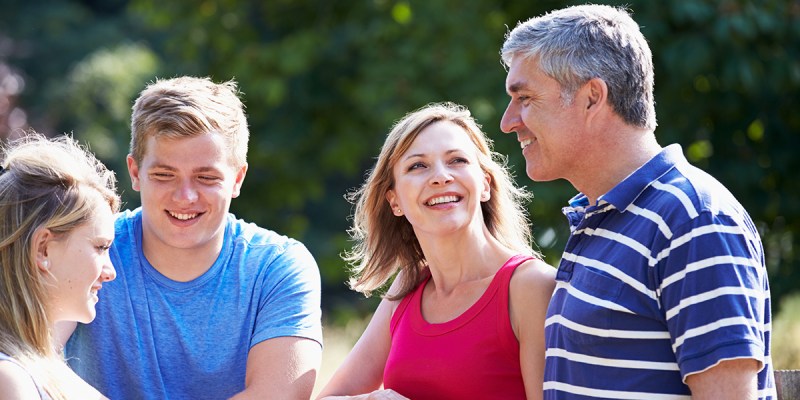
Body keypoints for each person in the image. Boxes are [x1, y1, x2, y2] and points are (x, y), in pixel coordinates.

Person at [499, 4, 775, 399]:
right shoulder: (601, 216)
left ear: (592, 97)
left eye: (525, 97)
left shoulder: (693, 221)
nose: (509, 121)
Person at [64, 76, 323, 399]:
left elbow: (278, 395)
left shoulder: (279, 267)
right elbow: (34, 364)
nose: (185, 196)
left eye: (206, 177)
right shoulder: (85, 248)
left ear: (237, 178)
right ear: (134, 173)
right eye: (164, 175)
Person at [316, 102, 556, 400]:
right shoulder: (409, 286)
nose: (441, 176)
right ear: (395, 201)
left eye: (457, 160)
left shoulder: (532, 287)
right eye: (418, 166)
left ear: (485, 184)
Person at [0, 133, 119, 400]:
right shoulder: (10, 380)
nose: (110, 272)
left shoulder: (40, 365)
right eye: (100, 247)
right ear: (43, 248)